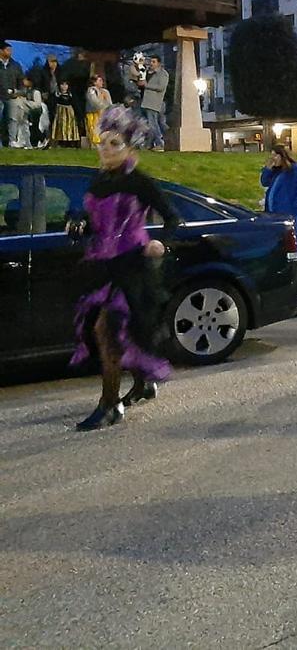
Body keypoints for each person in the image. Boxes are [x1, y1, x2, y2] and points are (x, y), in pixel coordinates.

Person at [69, 106, 179, 430]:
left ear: (130, 148)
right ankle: (143, 382)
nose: (106, 148)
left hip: (132, 266)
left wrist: (161, 243)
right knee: (114, 333)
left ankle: (109, 405)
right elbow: (92, 221)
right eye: (103, 142)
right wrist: (79, 225)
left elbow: (172, 217)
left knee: (107, 331)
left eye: (114, 143)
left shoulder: (140, 182)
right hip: (103, 266)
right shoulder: (98, 179)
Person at [260, 144, 297, 256]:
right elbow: (264, 181)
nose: (273, 159)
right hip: (275, 212)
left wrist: (296, 210)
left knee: (294, 241)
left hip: (291, 212)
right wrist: (267, 169)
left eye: (275, 156)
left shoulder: (296, 170)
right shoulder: (276, 171)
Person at [137, 55, 170, 151]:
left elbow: (161, 87)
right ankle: (148, 144)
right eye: (151, 61)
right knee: (147, 125)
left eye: (154, 61)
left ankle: (160, 143)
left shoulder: (163, 74)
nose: (151, 63)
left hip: (153, 102)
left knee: (153, 124)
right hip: (145, 102)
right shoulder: (148, 72)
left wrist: (147, 85)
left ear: (158, 63)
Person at [0, 39, 24, 148]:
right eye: (8, 50)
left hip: (12, 97)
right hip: (0, 97)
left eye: (11, 50)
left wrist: (18, 92)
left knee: (13, 119)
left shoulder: (15, 65)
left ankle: (12, 141)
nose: (10, 52)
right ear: (1, 51)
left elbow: (21, 82)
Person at [85, 75, 113, 147]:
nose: (102, 82)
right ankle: (94, 144)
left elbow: (109, 102)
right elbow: (94, 101)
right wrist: (102, 105)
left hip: (103, 113)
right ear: (94, 82)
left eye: (102, 81)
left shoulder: (105, 91)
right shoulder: (91, 90)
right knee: (94, 128)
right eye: (99, 80)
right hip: (93, 113)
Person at [51, 81, 80, 147]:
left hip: (69, 112)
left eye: (66, 85)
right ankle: (61, 141)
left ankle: (70, 141)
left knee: (69, 126)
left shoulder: (71, 94)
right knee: (61, 126)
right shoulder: (57, 94)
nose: (64, 86)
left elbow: (75, 104)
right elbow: (53, 104)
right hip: (60, 112)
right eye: (62, 84)